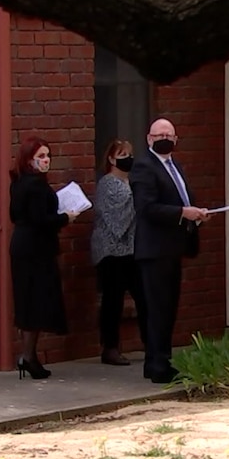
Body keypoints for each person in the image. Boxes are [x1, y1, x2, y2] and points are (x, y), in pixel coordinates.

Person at [130, 118, 210, 383]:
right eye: (159, 134)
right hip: (155, 250)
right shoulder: (144, 166)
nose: (165, 137)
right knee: (158, 308)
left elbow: (182, 199)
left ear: (176, 140)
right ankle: (157, 364)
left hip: (174, 248)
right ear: (149, 138)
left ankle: (159, 361)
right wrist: (182, 213)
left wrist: (194, 214)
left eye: (170, 134)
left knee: (168, 307)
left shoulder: (174, 165)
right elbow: (147, 208)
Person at [9, 136, 79, 380]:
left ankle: (29, 355)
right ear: (29, 160)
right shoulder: (35, 186)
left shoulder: (19, 183)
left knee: (29, 300)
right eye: (41, 156)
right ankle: (28, 356)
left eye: (48, 155)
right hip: (35, 249)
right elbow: (40, 220)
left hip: (24, 246)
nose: (46, 160)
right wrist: (65, 218)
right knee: (35, 301)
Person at [91, 140, 147, 366]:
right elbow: (118, 221)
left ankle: (150, 342)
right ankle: (110, 347)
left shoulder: (131, 182)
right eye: (122, 154)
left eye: (131, 154)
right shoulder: (108, 184)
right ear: (112, 159)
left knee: (144, 296)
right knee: (113, 300)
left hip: (132, 250)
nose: (128, 158)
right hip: (111, 251)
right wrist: (139, 197)